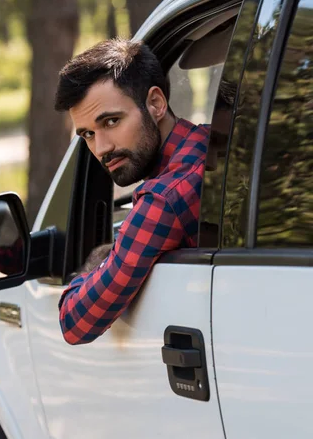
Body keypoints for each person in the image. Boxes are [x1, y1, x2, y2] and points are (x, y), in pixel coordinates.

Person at [55, 38, 224, 345]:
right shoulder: (211, 143)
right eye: (88, 134)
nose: (102, 148)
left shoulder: (163, 199)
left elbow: (74, 322)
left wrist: (97, 260)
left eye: (111, 121)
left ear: (156, 104)